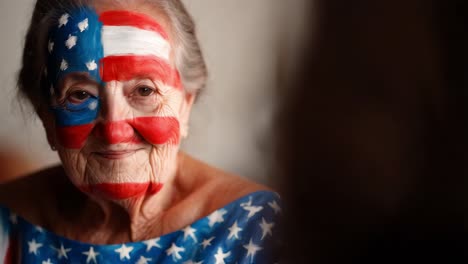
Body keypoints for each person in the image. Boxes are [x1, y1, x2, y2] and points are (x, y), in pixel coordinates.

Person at [0, 0, 281, 263]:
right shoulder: (6, 220)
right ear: (46, 117)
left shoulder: (259, 229)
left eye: (144, 90)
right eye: (80, 95)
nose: (114, 131)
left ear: (185, 104)